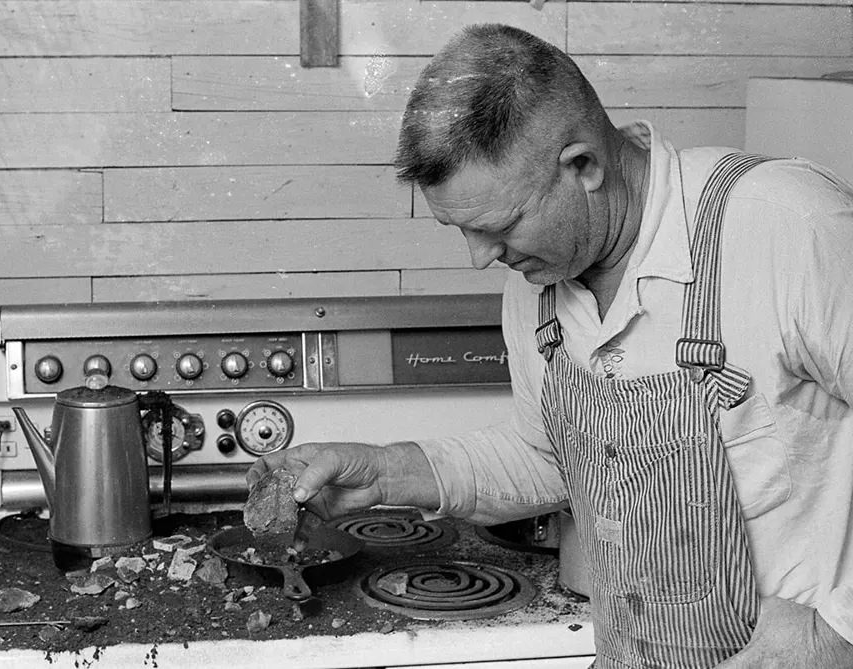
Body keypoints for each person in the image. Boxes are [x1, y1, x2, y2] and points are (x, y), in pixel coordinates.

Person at [246, 23, 853, 668]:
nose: (481, 258)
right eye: (460, 230)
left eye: (499, 226)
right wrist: (381, 472)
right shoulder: (539, 281)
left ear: (583, 166)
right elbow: (552, 456)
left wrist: (835, 635)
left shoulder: (788, 228)